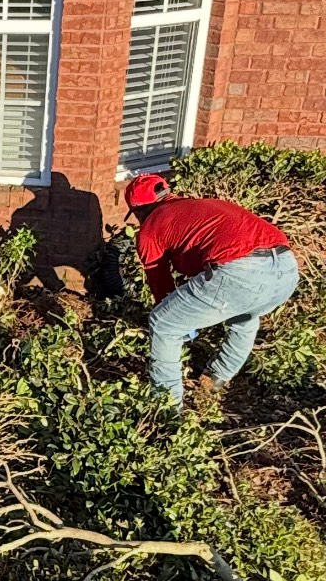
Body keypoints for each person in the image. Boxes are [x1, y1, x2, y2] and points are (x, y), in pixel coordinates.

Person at [123, 171, 300, 411]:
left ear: (138, 210)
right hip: (286, 269)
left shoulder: (150, 228)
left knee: (164, 324)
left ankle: (166, 411)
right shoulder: (204, 205)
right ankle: (216, 378)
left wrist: (180, 323)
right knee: (244, 316)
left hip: (240, 271)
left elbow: (161, 285)